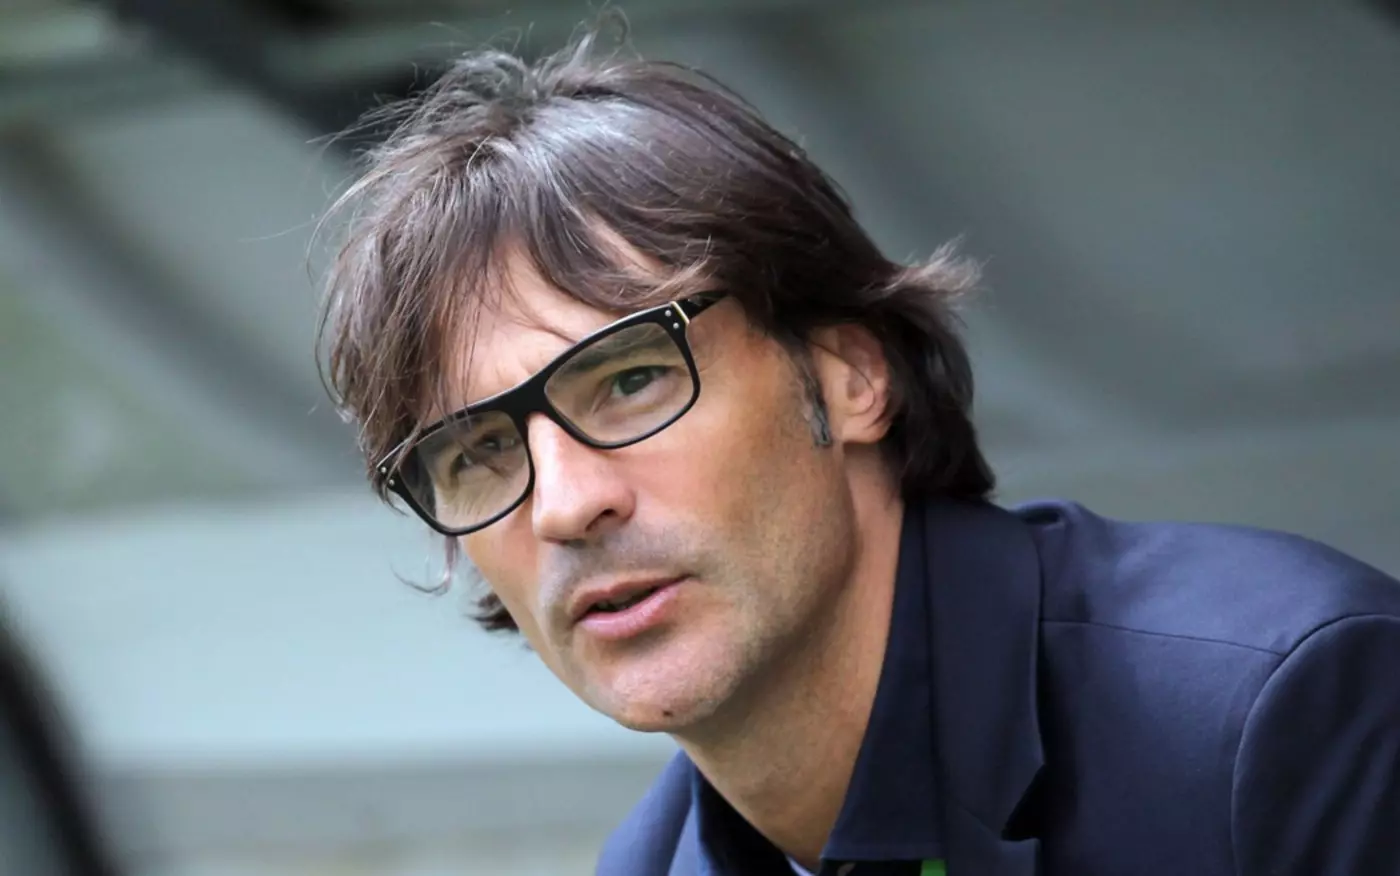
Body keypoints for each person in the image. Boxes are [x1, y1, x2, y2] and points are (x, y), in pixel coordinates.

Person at [316, 19, 1400, 876]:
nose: (563, 504)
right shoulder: (646, 865)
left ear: (850, 375)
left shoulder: (1286, 709)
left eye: (632, 378)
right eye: (477, 453)